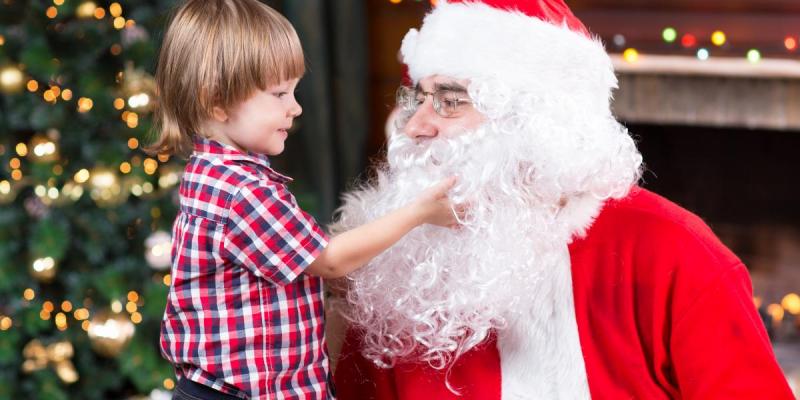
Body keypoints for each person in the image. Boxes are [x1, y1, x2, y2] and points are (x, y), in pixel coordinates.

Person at [331, 0, 795, 399]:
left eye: (450, 102)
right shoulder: (402, 266)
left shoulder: (674, 251)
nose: (414, 126)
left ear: (531, 124)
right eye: (419, 99)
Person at [149, 1, 460, 398]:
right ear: (217, 100)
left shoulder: (213, 171)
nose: (295, 108)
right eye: (279, 94)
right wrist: (419, 212)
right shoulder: (245, 191)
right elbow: (328, 260)